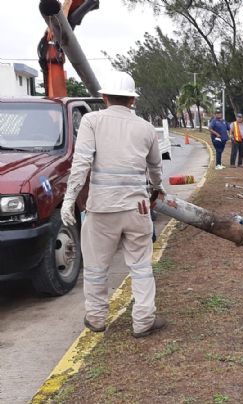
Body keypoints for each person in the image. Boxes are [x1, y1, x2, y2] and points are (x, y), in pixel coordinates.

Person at [60, 71, 166, 338]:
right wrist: (157, 188)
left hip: (102, 209)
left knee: (96, 267)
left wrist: (69, 200)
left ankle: (96, 319)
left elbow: (81, 163)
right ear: (132, 100)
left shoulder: (92, 121)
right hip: (137, 209)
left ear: (104, 96)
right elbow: (155, 167)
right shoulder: (145, 127)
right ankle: (143, 320)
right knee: (141, 266)